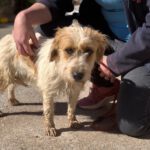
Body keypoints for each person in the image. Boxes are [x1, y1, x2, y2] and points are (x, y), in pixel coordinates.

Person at [13, 0, 150, 137]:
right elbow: (55, 3)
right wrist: (24, 17)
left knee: (134, 126)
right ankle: (106, 86)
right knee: (44, 29)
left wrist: (115, 62)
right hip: (107, 36)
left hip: (142, 45)